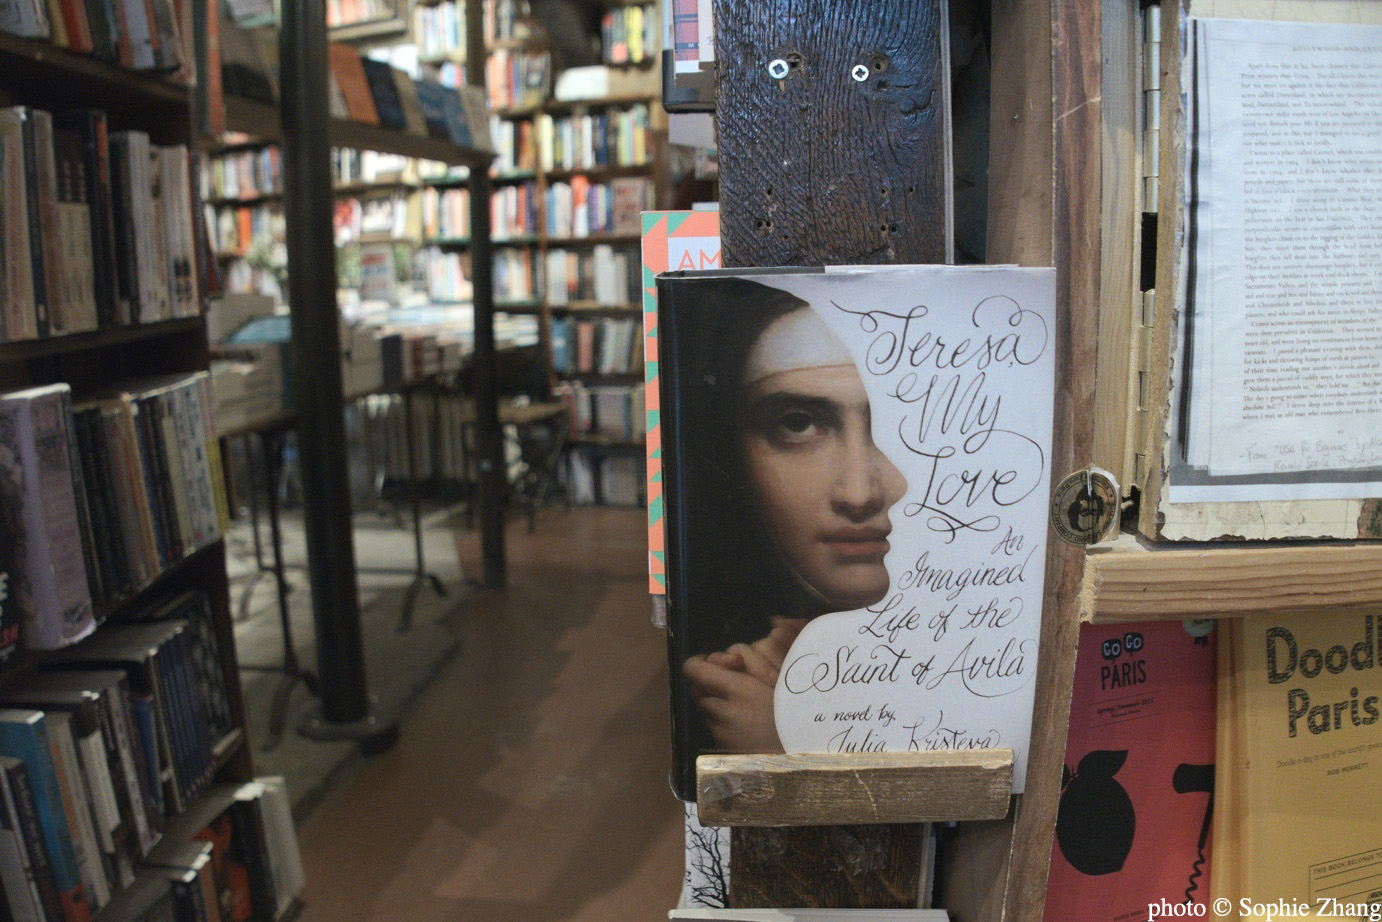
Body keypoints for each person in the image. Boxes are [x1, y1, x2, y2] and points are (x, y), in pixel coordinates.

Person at [670, 280, 907, 756]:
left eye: (901, 417)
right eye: (797, 423)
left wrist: (787, 751)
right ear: (732, 454)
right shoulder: (733, 676)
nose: (859, 494)